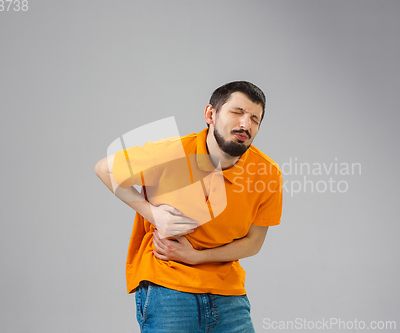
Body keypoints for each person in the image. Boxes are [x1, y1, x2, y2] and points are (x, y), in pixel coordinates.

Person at [94, 81, 283, 332]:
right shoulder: (174, 152)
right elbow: (104, 168)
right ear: (210, 114)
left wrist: (197, 257)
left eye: (254, 119)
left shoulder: (267, 173)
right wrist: (154, 215)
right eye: (237, 112)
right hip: (167, 289)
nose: (245, 125)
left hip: (228, 294)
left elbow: (254, 242)